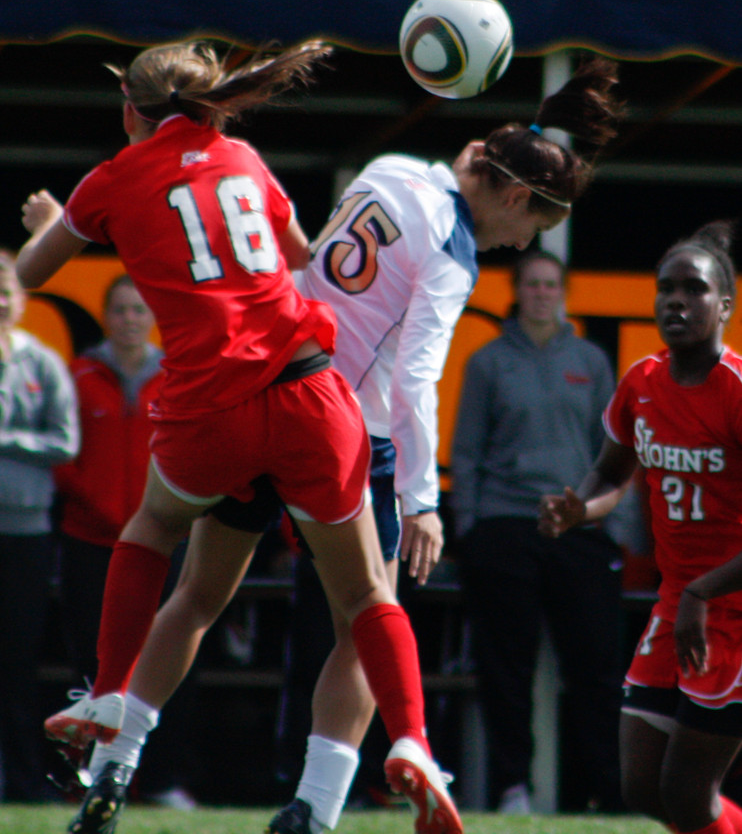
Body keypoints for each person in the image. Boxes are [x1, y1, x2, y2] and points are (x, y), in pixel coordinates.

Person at [58, 55, 624, 834]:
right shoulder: (452, 260)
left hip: (258, 385)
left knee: (195, 596)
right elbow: (415, 387)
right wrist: (423, 502)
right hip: (340, 428)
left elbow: (306, 252)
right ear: (518, 196)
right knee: (368, 612)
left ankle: (113, 762)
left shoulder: (391, 168)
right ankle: (318, 808)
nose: (517, 244)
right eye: (530, 229)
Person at [15, 37, 462, 834]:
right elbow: (300, 259)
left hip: (211, 411)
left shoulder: (113, 178)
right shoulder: (245, 157)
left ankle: (113, 697)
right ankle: (416, 743)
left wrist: (60, 220)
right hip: (306, 393)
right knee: (364, 595)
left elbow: (31, 273)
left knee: (160, 540)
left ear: (131, 111)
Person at [539, 220, 742, 834]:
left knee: (685, 793)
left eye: (694, 289)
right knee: (641, 785)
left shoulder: (735, 390)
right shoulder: (642, 382)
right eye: (665, 289)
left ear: (725, 305)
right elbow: (611, 472)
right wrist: (580, 507)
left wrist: (704, 592)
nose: (676, 300)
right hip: (679, 604)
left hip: (729, 609)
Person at [450, 248, 625, 813]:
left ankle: (606, 790)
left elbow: (616, 453)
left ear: (564, 292)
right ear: (518, 291)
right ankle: (512, 789)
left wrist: (616, 526)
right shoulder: (487, 362)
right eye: (533, 285)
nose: (543, 293)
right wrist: (470, 528)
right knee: (506, 670)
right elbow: (467, 452)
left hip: (577, 529)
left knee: (596, 669)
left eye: (552, 285)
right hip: (504, 528)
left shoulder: (592, 362)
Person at [54, 273, 197, 808]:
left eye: (140, 309)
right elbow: (63, 455)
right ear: (105, 316)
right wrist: (94, 504)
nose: (131, 319)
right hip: (91, 542)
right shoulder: (78, 374)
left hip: (166, 543)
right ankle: (84, 779)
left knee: (168, 665)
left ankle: (160, 781)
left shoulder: (179, 373)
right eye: (120, 310)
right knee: (91, 668)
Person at [0, 251, 79, 801]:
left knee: (16, 661)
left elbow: (65, 442)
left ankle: (25, 780)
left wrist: (5, 442)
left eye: (7, 289)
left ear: (23, 299)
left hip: (25, 535)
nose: (0, 301)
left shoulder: (44, 362)